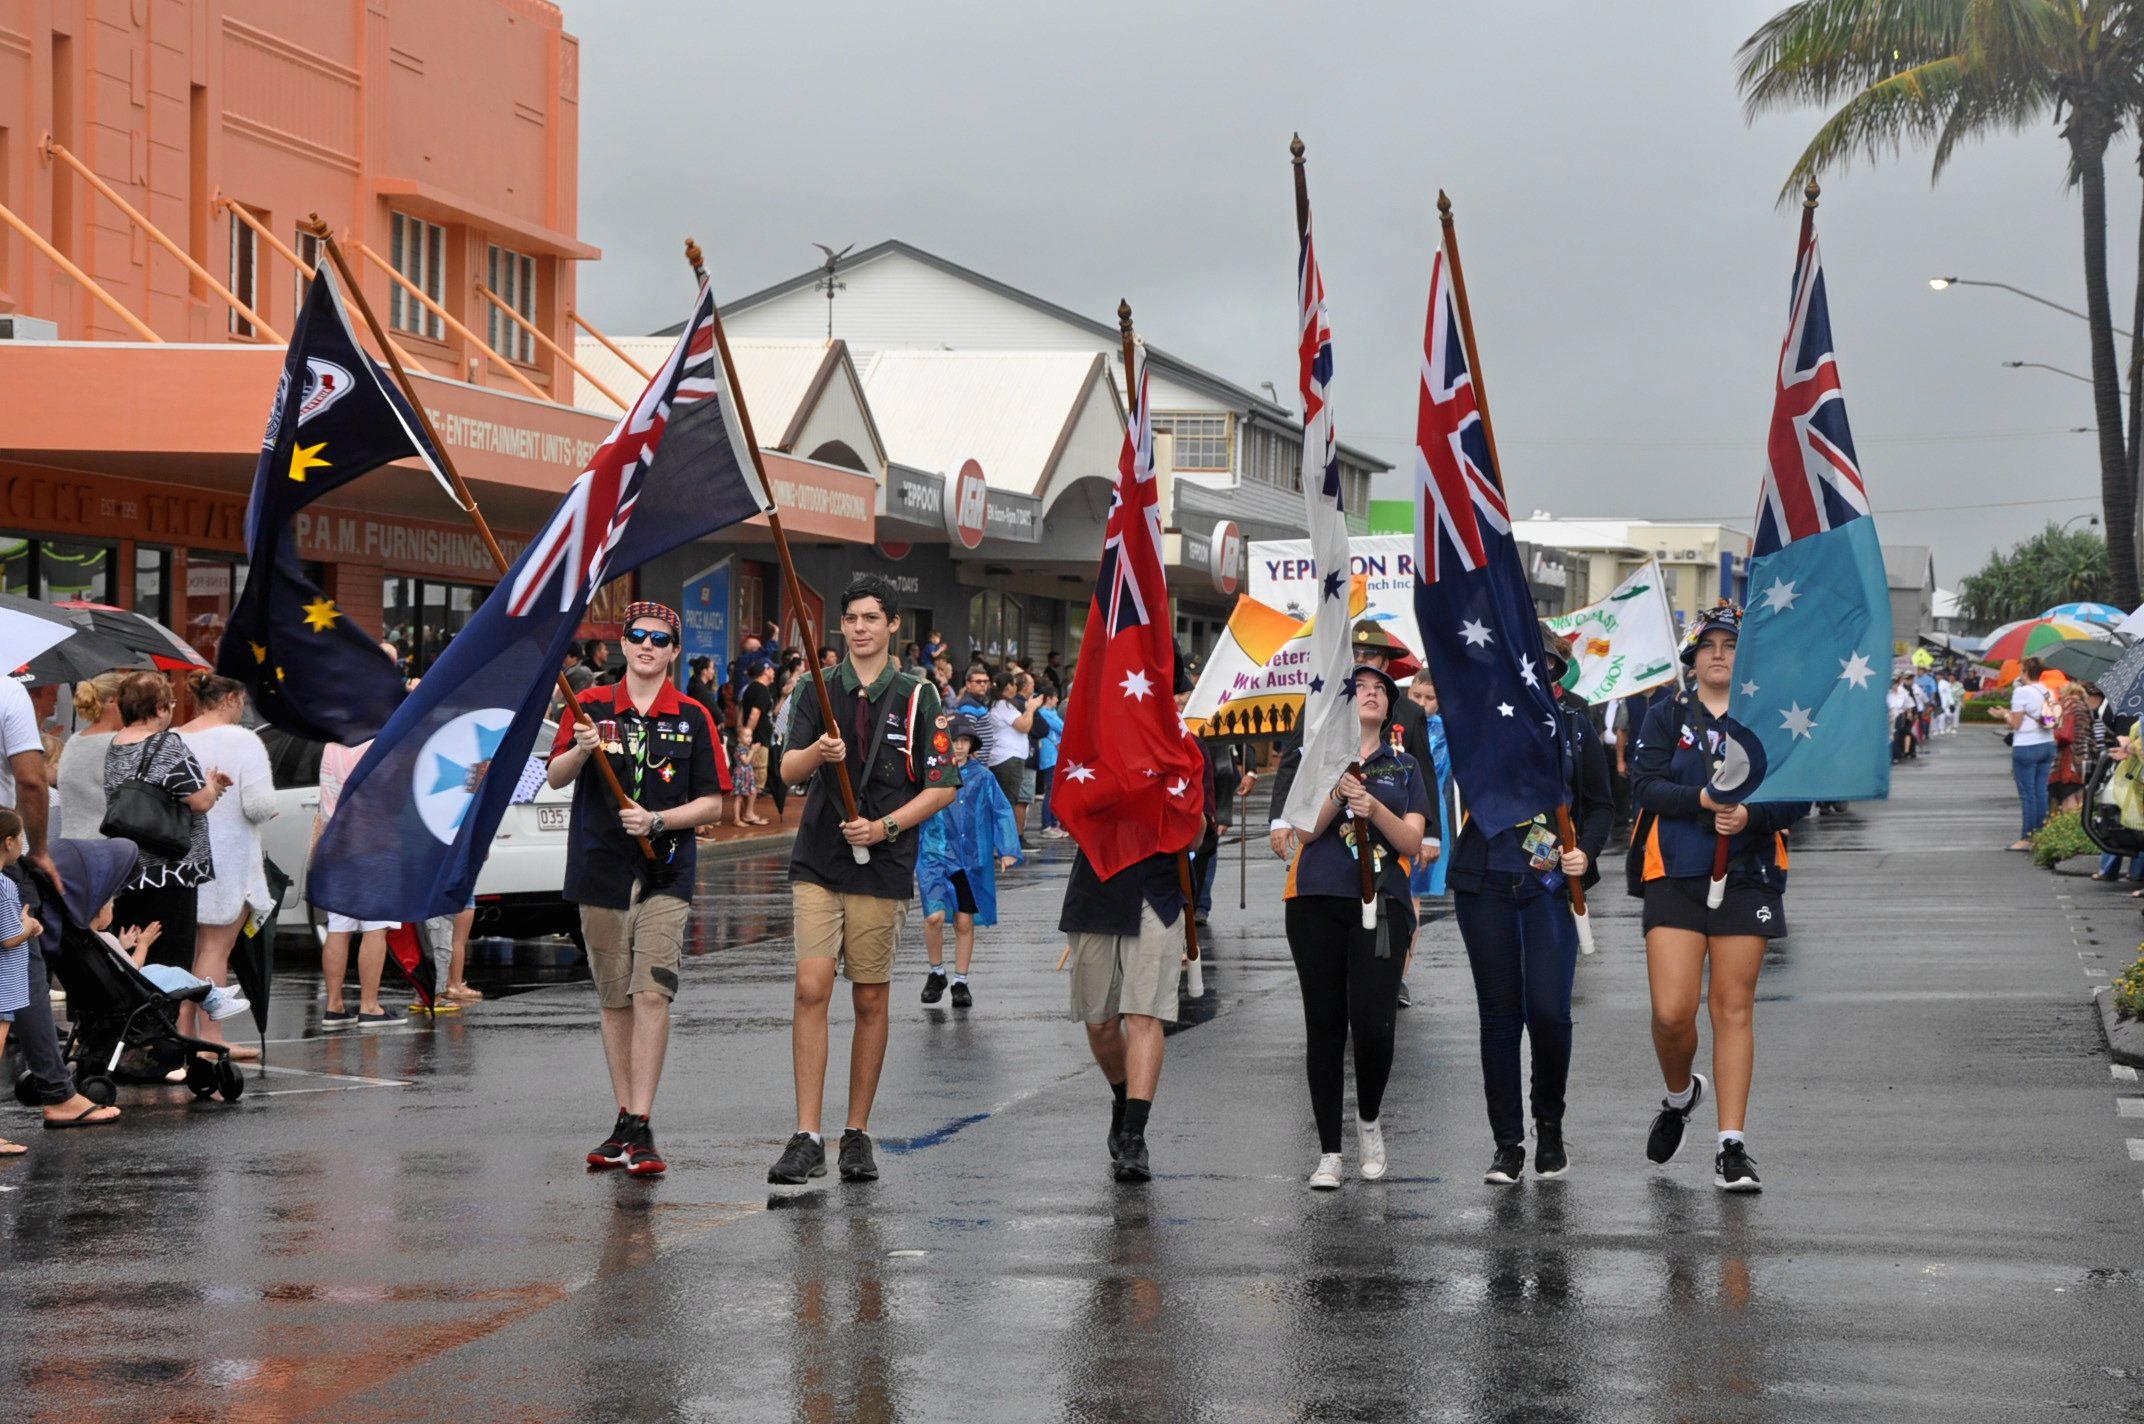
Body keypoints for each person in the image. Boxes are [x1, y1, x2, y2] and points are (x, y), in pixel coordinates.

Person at [768, 575, 957, 1186]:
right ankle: (806, 1134)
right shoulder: (814, 690)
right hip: (818, 858)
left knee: (870, 995)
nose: (860, 628)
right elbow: (788, 769)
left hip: (884, 863)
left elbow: (943, 784)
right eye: (851, 618)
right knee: (811, 984)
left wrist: (885, 829)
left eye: (872, 618)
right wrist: (819, 754)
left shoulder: (918, 694)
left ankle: (856, 1132)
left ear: (893, 625)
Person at [1630, 605, 1809, 1194]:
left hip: (1748, 872)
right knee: (1671, 1012)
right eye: (1707, 644)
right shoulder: (1663, 716)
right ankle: (1681, 1096)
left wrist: (1751, 815)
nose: (1717, 654)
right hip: (1674, 871)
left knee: (1732, 1007)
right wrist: (1704, 803)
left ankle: (1731, 1147)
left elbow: (1798, 796)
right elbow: (1645, 786)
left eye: (1730, 645)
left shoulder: (1770, 719)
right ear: (1692, 656)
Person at [548, 602, 727, 1177]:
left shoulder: (695, 715)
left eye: (660, 638)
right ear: (622, 644)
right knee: (615, 998)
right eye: (636, 636)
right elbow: (554, 776)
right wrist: (580, 746)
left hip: (666, 869)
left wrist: (659, 821)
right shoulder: (591, 706)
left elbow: (714, 803)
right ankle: (625, 1119)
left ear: (675, 650)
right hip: (600, 869)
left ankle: (642, 1122)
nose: (646, 645)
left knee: (652, 992)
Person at [1447, 624, 1611, 1187]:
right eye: (1525, 662)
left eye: (1544, 663)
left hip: (1548, 887)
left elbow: (1601, 806)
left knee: (1548, 1012)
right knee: (1499, 1017)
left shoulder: (1577, 722)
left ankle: (1550, 1125)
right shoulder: (1483, 717)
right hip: (1486, 879)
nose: (1534, 672)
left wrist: (1584, 853)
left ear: (1557, 667)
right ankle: (1507, 1144)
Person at [1281, 665, 1429, 1189]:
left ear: (1390, 708)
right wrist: (1338, 791)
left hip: (1380, 903)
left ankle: (1368, 1119)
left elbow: (1412, 842)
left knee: (1372, 1024)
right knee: (1323, 1025)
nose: (1369, 695)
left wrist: (1373, 807)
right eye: (1359, 688)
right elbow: (1306, 828)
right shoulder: (1313, 759)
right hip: (1315, 900)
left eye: (1379, 690)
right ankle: (1328, 1151)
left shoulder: (1405, 765)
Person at [1059, 764, 1210, 1185]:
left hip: (1156, 890)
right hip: (1097, 886)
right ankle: (1124, 1101)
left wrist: (1183, 805)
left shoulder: (1183, 750)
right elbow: (1071, 812)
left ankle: (1134, 1136)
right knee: (1100, 1022)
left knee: (1144, 1014)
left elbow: (1197, 837)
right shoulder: (1096, 740)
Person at [175, 672, 276, 1061]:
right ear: (231, 698)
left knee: (192, 951)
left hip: (184, 855)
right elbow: (256, 805)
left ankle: (184, 1033)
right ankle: (211, 1037)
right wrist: (270, 810)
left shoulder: (177, 737)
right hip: (229, 858)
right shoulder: (244, 741)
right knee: (217, 949)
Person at [104, 672, 227, 975]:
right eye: (170, 703)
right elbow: (199, 801)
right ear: (158, 708)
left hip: (128, 869)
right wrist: (212, 785)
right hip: (170, 871)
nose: (171, 710)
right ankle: (164, 1022)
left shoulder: (115, 744)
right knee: (169, 964)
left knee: (132, 960)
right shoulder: (167, 745)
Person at [917, 714, 1022, 1009]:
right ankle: (936, 972)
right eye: (954, 740)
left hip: (969, 858)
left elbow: (1001, 810)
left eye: (964, 741)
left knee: (964, 921)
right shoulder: (933, 773)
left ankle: (960, 981)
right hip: (935, 854)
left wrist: (1007, 847)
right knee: (933, 917)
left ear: (972, 744)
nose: (959, 746)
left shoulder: (983, 776)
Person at [314, 739, 395, 1029]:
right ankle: (369, 1006)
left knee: (339, 926)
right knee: (375, 926)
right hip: (375, 842)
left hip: (335, 842)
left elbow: (326, 797)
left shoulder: (331, 745)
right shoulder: (383, 741)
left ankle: (334, 1006)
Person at [1402, 674, 1456, 1009]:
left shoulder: (1448, 730)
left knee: (1411, 901)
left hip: (1430, 818)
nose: (1422, 704)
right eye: (1416, 696)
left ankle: (1399, 977)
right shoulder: (1397, 723)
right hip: (1393, 812)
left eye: (1429, 698)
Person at [0, 808, 42, 1156]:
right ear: (9, 842)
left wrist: (23, 924)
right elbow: (9, 937)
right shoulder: (4, 884)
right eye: (22, 838)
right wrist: (27, 927)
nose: (24, 845)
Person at [57, 670, 126, 842]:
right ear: (113, 701)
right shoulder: (116, 743)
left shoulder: (74, 741)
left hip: (71, 843)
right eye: (130, 700)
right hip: (105, 846)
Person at [2006, 656, 2059, 850]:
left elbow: (2016, 724)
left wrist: (2003, 715)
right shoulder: (2048, 691)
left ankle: (2026, 838)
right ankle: (2040, 834)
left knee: (2027, 794)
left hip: (2026, 745)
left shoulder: (2021, 692)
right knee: (2040, 792)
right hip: (2047, 743)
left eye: (2021, 671)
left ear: (2026, 673)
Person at [986, 671, 1037, 840]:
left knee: (1005, 800)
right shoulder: (1003, 705)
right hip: (1008, 760)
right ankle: (1005, 843)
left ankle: (1003, 842)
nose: (1016, 688)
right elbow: (1023, 726)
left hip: (1004, 759)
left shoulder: (999, 705)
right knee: (1008, 801)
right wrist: (1030, 709)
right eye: (1014, 684)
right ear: (1008, 686)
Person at [735, 659, 777, 827]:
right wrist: (749, 735)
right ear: (765, 670)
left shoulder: (750, 688)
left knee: (749, 777)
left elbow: (741, 711)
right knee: (756, 778)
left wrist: (741, 731)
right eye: (771, 669)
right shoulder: (761, 690)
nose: (774, 672)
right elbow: (754, 714)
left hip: (753, 739)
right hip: (757, 741)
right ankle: (749, 813)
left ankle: (747, 812)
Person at [2050, 681, 2091, 814]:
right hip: (2083, 756)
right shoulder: (2084, 707)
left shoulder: (2065, 705)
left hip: (2068, 757)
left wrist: (2042, 717)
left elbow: (2052, 724)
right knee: (2079, 794)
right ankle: (2078, 827)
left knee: (2068, 796)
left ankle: (2067, 824)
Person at [1035, 686, 1067, 837]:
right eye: (1055, 698)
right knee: (1051, 790)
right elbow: (1062, 727)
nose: (1057, 700)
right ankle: (1048, 824)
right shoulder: (1044, 713)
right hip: (1049, 756)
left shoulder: (1052, 713)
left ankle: (1054, 823)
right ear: (1048, 698)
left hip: (1056, 754)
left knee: (1056, 790)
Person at [951, 665, 996, 766]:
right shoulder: (969, 705)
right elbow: (966, 733)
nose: (983, 684)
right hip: (974, 764)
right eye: (978, 682)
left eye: (986, 681)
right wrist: (972, 755)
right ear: (968, 684)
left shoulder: (976, 701)